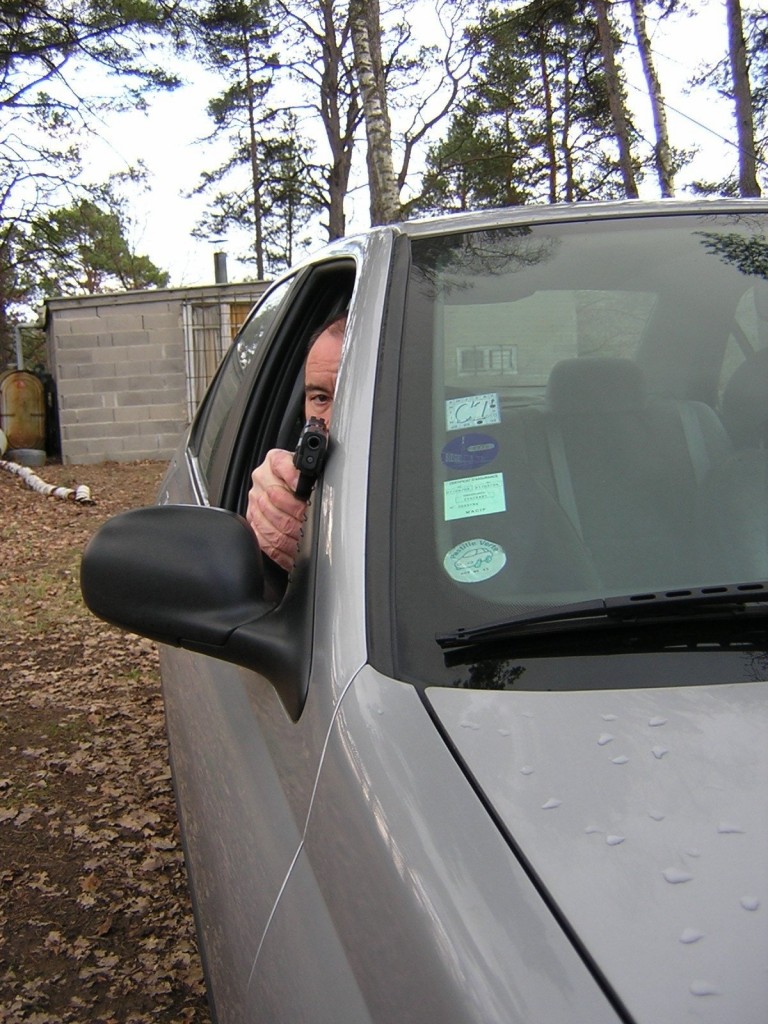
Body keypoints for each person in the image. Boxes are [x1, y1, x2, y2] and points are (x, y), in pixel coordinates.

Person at [246, 313, 346, 570]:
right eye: (321, 398)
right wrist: (268, 510)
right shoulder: (291, 482)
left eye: (352, 395)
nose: (334, 421)